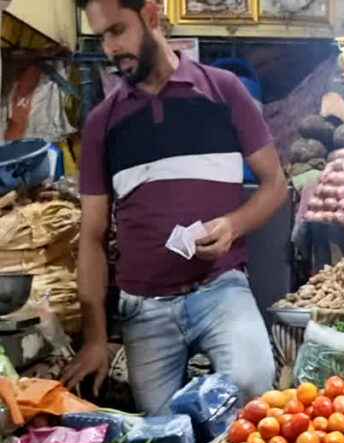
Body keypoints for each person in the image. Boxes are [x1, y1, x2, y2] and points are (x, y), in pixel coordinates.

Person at [62, 0, 287, 414]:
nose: (110, 48)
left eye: (117, 31)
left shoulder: (223, 91)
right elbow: (91, 237)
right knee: (164, 436)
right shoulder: (102, 123)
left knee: (254, 386)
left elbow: (275, 185)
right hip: (143, 306)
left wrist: (233, 225)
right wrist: (95, 338)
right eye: (101, 38)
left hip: (220, 288)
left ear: (151, 15)